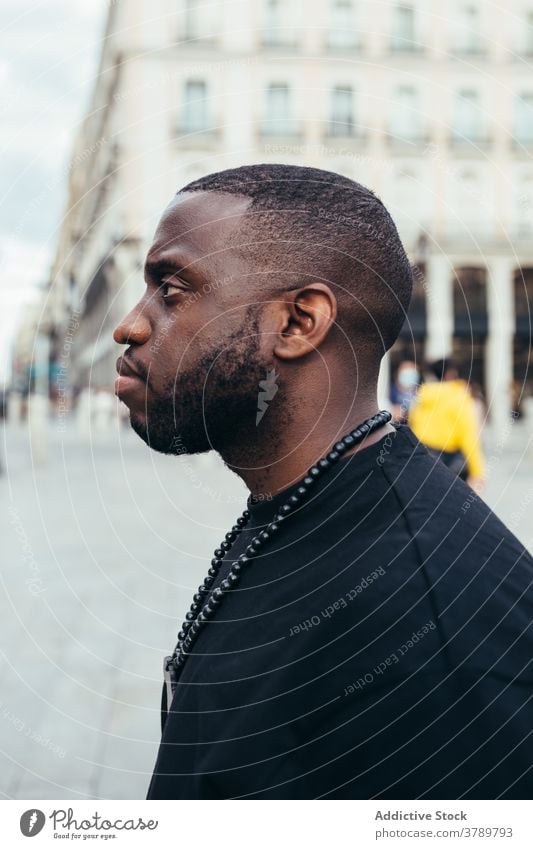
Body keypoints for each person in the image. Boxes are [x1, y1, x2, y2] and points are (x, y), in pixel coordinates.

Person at [113, 164, 533, 800]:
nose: (131, 326)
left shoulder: (429, 621)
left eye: (171, 291)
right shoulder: (300, 502)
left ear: (298, 322)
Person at [408, 358, 486, 490]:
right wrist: (477, 471)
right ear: (451, 373)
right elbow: (468, 435)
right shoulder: (458, 396)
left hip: (425, 458)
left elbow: (412, 426)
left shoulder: (422, 397)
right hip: (453, 462)